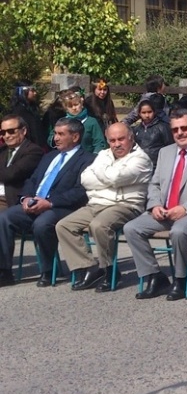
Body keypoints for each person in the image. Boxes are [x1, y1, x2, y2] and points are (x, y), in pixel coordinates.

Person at [123, 109, 187, 300]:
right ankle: (155, 276)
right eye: (175, 129)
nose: (180, 133)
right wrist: (154, 205)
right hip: (166, 210)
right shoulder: (165, 152)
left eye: (184, 128)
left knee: (179, 231)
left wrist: (185, 208)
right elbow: (154, 183)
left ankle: (180, 279)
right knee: (131, 228)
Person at [55, 123, 152, 292]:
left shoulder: (141, 159)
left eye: (121, 139)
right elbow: (85, 179)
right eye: (112, 140)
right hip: (97, 203)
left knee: (99, 225)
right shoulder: (103, 154)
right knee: (64, 226)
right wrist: (109, 177)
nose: (116, 144)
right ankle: (91, 267)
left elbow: (116, 177)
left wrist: (101, 175)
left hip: (126, 205)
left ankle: (109, 270)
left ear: (131, 137)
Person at [0, 118, 95, 287]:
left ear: (75, 137)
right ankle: (5, 271)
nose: (55, 138)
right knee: (4, 218)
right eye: (55, 133)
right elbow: (32, 180)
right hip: (35, 203)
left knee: (42, 224)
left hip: (62, 208)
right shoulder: (49, 156)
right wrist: (26, 198)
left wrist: (50, 202)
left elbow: (80, 191)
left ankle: (48, 269)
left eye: (60, 134)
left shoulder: (88, 159)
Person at [0, 116, 43, 212]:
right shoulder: (3, 151)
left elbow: (11, 174)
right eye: (3, 132)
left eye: (11, 131)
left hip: (8, 199)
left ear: (23, 131)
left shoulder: (33, 151)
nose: (6, 136)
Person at [132, 97, 173, 167]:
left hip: (157, 165)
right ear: (139, 113)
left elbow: (170, 147)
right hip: (140, 165)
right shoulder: (136, 129)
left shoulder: (163, 127)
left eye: (149, 112)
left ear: (154, 112)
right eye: (143, 112)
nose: (147, 115)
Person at [9, 81, 47, 149]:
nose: (35, 93)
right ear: (24, 92)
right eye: (32, 91)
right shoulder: (19, 111)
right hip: (28, 148)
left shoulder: (31, 108)